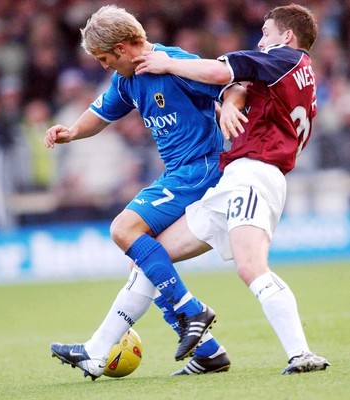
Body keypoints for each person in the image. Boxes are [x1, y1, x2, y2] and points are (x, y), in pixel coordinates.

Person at [45, 4, 243, 380]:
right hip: (181, 174)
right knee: (148, 263)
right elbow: (100, 114)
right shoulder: (127, 79)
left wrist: (229, 108)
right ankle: (208, 352)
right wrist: (71, 131)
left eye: (105, 59)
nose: (104, 66)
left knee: (123, 229)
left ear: (123, 47)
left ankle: (190, 310)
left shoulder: (173, 63)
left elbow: (231, 83)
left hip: (201, 169)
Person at [133, 3, 330, 375]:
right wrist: (228, 103)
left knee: (251, 266)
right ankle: (201, 353)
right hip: (238, 177)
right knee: (150, 254)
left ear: (286, 36)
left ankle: (301, 353)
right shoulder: (297, 72)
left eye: (266, 32)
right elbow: (238, 87)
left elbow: (221, 72)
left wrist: (167, 63)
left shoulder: (284, 57)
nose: (261, 40)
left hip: (255, 174)